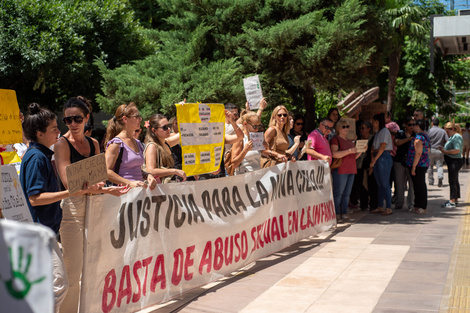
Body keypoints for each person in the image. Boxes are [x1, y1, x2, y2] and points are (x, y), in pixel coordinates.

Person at [54, 97, 128, 313]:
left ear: (87, 118)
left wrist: (104, 189)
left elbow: (98, 179)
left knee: (95, 265)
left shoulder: (94, 143)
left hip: (95, 205)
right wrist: (100, 187)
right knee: (73, 271)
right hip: (73, 209)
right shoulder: (61, 144)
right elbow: (70, 185)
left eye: (77, 118)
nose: (73, 124)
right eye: (68, 120)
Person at [20, 103, 88, 312]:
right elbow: (35, 198)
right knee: (59, 284)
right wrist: (70, 193)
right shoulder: (36, 158)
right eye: (53, 129)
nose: (59, 131)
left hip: (45, 231)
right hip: (39, 232)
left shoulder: (39, 154)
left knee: (52, 284)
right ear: (39, 134)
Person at [104, 103, 158, 188]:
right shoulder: (116, 144)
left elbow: (135, 170)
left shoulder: (137, 143)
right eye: (137, 116)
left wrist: (148, 176)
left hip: (137, 196)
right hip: (122, 197)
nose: (140, 119)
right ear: (125, 119)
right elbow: (106, 171)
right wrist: (129, 183)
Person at [330, 119, 360, 221]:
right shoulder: (335, 139)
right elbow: (334, 154)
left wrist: (360, 151)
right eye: (344, 127)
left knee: (347, 194)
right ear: (338, 128)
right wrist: (349, 151)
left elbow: (353, 157)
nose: (346, 129)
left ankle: (344, 212)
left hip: (351, 169)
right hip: (341, 170)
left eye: (347, 127)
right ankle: (336, 213)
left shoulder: (349, 141)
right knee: (338, 193)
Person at [144, 114, 186, 183]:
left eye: (169, 126)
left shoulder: (166, 143)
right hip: (159, 190)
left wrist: (184, 110)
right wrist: (174, 171)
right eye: (165, 127)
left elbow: (183, 133)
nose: (169, 129)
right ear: (154, 131)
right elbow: (150, 171)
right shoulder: (152, 146)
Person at [369, 113, 394, 215]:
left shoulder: (384, 131)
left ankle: (388, 207)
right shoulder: (378, 132)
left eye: (374, 122)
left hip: (383, 157)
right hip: (378, 156)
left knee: (384, 184)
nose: (373, 124)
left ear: (378, 122)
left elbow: (382, 146)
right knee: (380, 184)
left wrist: (374, 159)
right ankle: (380, 206)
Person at [404, 119, 430, 214]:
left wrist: (414, 167)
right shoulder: (425, 136)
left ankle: (422, 206)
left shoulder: (418, 138)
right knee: (418, 185)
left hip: (418, 165)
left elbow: (418, 153)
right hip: (423, 164)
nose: (412, 127)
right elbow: (428, 151)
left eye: (414, 125)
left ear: (418, 126)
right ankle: (418, 205)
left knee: (419, 185)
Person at [350, 121, 373, 211]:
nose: (361, 130)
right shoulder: (357, 139)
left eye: (363, 128)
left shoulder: (372, 139)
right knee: (357, 185)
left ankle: (366, 204)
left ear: (369, 129)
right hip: (356, 165)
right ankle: (357, 203)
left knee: (367, 185)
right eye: (360, 128)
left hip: (367, 166)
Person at [439, 122, 463, 208]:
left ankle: (452, 200)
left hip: (454, 161)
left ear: (452, 129)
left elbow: (457, 150)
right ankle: (455, 199)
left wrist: (446, 152)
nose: (446, 133)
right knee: (454, 180)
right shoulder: (453, 137)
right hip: (452, 160)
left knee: (452, 181)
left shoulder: (457, 137)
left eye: (447, 131)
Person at [393, 117, 415, 210]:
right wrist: (408, 139)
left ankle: (411, 204)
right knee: (399, 183)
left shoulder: (416, 134)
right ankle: (399, 203)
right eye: (410, 124)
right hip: (399, 161)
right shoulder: (400, 133)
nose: (412, 127)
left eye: (413, 124)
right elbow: (396, 143)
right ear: (405, 125)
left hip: (411, 162)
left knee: (412, 184)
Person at [427, 118, 448, 187]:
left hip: (430, 150)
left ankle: (431, 181)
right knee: (439, 166)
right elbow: (447, 140)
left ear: (432, 123)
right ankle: (440, 177)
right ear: (438, 124)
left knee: (430, 166)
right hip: (439, 150)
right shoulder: (443, 131)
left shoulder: (428, 131)